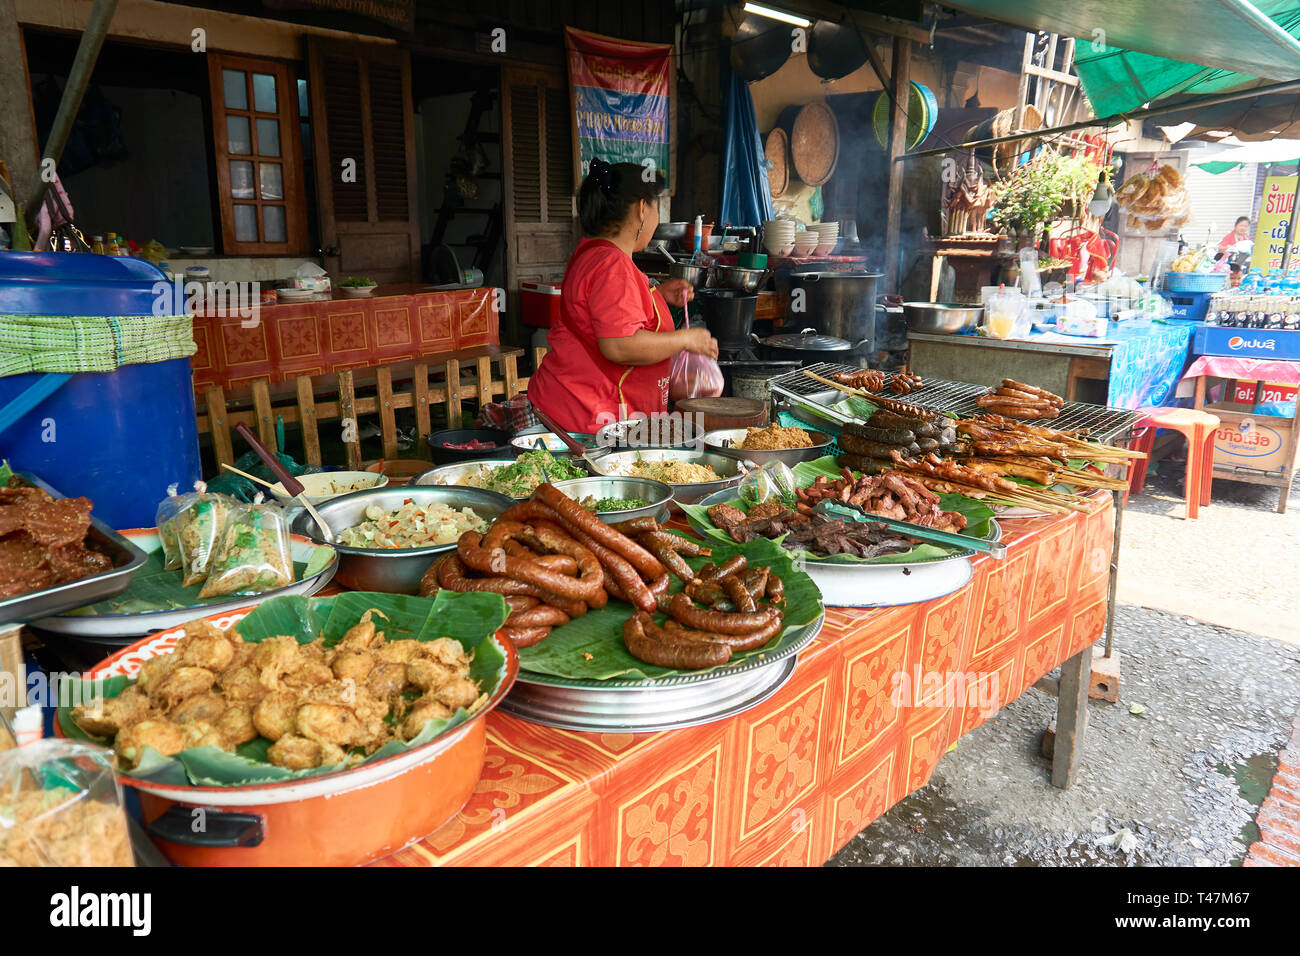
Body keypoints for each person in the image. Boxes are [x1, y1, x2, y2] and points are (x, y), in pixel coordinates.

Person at [526, 158, 717, 435]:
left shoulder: (594, 252)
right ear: (642, 208)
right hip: (586, 420)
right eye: (656, 206)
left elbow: (603, 313)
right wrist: (686, 339)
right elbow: (619, 344)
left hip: (572, 409)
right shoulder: (611, 264)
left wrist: (658, 295)